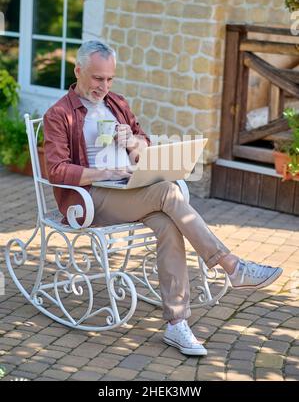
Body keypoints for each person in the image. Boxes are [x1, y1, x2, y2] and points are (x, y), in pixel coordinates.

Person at [44, 40, 283, 357]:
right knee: (168, 192)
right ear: (78, 71)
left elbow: (146, 146)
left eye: (110, 79)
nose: (104, 86)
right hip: (90, 198)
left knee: (170, 224)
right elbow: (57, 170)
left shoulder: (117, 103)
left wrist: (132, 144)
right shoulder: (60, 114)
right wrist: (104, 173)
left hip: (128, 191)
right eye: (97, 78)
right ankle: (233, 267)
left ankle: (176, 324)